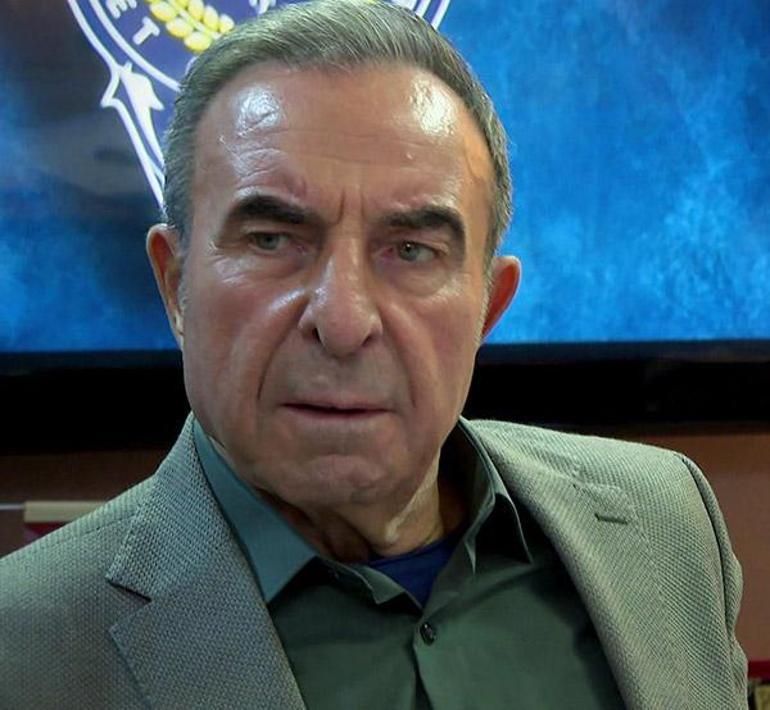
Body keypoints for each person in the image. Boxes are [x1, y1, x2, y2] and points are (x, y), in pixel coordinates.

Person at [0, 1, 746, 707]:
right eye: (273, 239)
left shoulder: (665, 523)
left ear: (489, 307)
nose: (344, 320)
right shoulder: (24, 646)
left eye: (412, 250)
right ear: (175, 287)